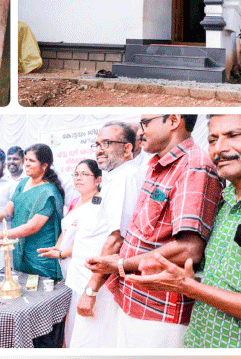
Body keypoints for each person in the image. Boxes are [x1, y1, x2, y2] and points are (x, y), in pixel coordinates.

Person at [82, 114, 223, 348]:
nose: (139, 132)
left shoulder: (193, 166)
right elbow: (147, 235)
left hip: (160, 310)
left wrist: (119, 264)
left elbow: (190, 250)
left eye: (145, 123)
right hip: (134, 299)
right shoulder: (158, 165)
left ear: (174, 120)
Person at [126, 114, 241, 348]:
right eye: (213, 140)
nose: (220, 148)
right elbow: (218, 276)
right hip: (197, 338)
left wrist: (190, 287)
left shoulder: (195, 164)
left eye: (234, 135)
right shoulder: (227, 202)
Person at [0, 143, 66, 347]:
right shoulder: (23, 184)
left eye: (32, 161)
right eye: (26, 160)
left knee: (44, 316)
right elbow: (7, 211)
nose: (26, 164)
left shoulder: (48, 191)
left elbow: (32, 227)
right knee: (24, 308)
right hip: (22, 256)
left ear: (45, 165)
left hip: (42, 258)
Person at [65, 122, 143, 348]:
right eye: (97, 144)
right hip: (87, 281)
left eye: (107, 143)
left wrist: (91, 289)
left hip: (100, 288)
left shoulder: (124, 179)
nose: (99, 149)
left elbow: (117, 239)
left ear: (127, 149)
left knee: (88, 346)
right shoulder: (111, 180)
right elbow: (97, 218)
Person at [37, 159, 102, 346]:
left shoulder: (98, 203)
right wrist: (56, 248)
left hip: (85, 269)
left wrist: (60, 254)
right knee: (71, 320)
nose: (78, 178)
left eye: (84, 174)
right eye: (76, 174)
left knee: (83, 324)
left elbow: (86, 241)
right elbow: (66, 231)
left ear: (97, 180)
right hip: (68, 268)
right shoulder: (75, 200)